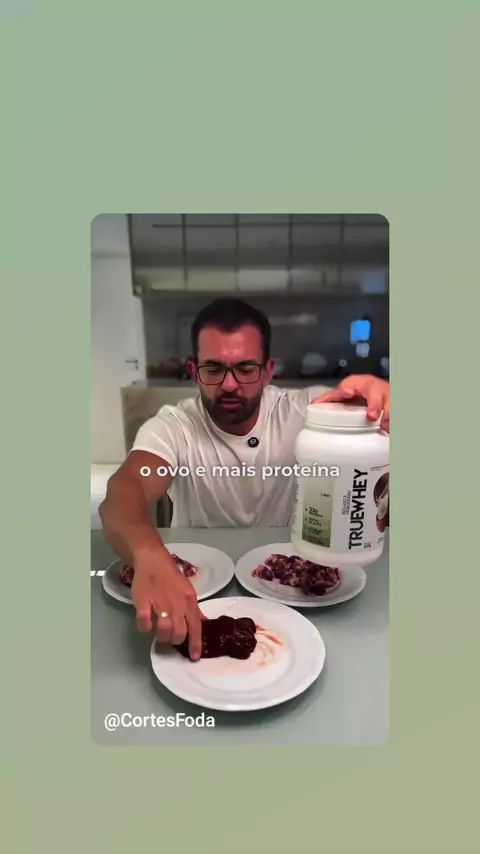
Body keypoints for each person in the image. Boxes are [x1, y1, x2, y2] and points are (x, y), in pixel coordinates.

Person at [100, 298, 389, 659]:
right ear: (194, 371)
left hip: (289, 588)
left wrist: (378, 402)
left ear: (268, 371)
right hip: (197, 591)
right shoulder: (174, 426)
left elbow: (370, 439)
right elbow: (125, 490)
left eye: (245, 368)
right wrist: (149, 556)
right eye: (213, 368)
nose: (229, 384)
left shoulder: (310, 413)